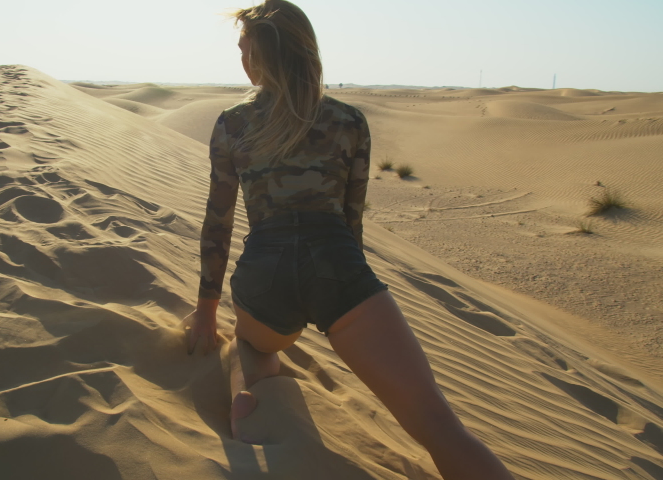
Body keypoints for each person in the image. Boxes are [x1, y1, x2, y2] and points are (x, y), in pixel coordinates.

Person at [181, 1, 515, 479]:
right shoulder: (349, 121)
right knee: (437, 423)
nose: (241, 60)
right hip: (337, 266)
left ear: (263, 57)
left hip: (265, 275)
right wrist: (346, 300)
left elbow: (219, 221)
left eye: (244, 49)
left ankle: (251, 397)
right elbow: (350, 222)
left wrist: (207, 309)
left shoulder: (232, 123)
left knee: (253, 347)